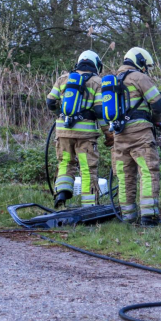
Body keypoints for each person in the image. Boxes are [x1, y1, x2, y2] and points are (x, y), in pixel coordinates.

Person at [46, 50, 113, 208]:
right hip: (85, 134)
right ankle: (89, 205)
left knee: (65, 163)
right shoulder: (98, 82)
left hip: (63, 131)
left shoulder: (63, 79)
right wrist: (108, 133)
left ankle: (61, 192)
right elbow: (99, 111)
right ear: (96, 65)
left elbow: (50, 102)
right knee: (86, 167)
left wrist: (61, 115)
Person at [106, 47, 161, 225]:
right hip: (140, 134)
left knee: (125, 177)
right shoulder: (139, 77)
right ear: (139, 62)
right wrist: (155, 121)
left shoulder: (113, 80)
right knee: (148, 172)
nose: (145, 69)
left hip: (119, 136)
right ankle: (149, 216)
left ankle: (128, 217)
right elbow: (157, 104)